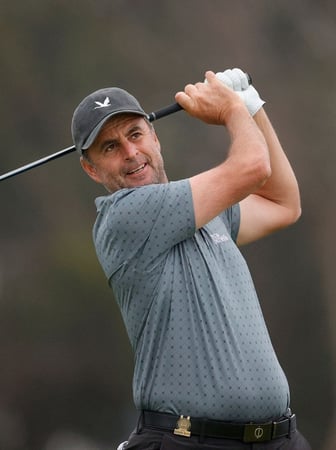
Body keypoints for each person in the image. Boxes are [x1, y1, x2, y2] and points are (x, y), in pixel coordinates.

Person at [71, 68, 311, 449]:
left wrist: (251, 104)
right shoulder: (123, 217)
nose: (131, 153)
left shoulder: (208, 211)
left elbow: (284, 204)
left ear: (154, 134)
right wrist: (232, 110)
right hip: (188, 441)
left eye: (134, 134)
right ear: (90, 167)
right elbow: (253, 167)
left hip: (279, 439)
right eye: (110, 147)